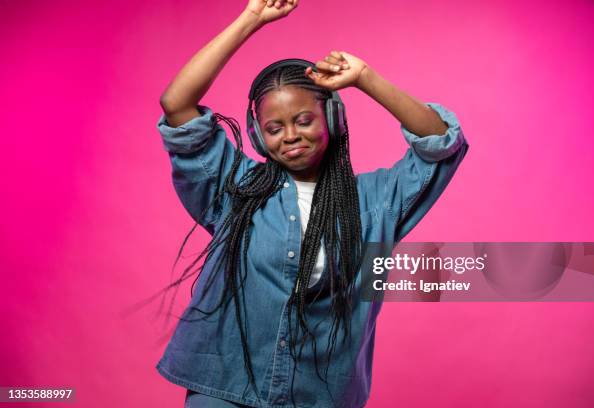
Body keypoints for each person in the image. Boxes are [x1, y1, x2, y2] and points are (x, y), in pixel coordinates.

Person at [155, 0, 469, 407]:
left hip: (319, 397)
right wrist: (250, 18)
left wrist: (365, 78)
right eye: (274, 128)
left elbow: (441, 143)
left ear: (333, 121)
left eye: (304, 120)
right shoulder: (237, 188)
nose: (290, 135)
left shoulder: (376, 202)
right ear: (257, 136)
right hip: (224, 387)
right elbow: (177, 105)